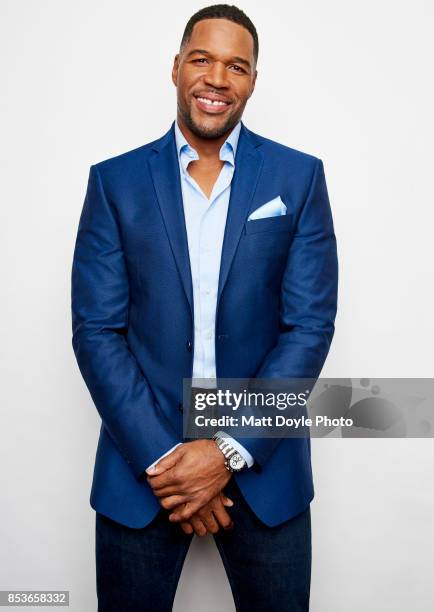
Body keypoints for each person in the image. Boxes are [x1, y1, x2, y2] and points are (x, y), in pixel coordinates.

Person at [71, 4, 338, 611]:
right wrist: (171, 464)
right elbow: (96, 332)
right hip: (143, 472)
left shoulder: (298, 179)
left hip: (264, 470)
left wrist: (225, 451)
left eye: (236, 66)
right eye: (202, 59)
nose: (217, 78)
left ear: (251, 81)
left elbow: (309, 326)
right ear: (175, 68)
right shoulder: (114, 184)